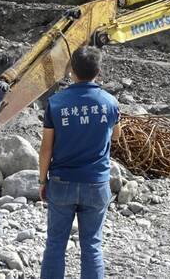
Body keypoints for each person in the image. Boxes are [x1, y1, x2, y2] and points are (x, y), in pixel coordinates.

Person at [39, 46, 121, 279]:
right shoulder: (110, 102)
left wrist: (41, 180)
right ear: (99, 71)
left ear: (71, 70)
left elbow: (46, 148)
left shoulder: (56, 103)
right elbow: (116, 136)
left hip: (61, 182)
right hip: (96, 184)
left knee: (55, 244)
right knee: (92, 245)